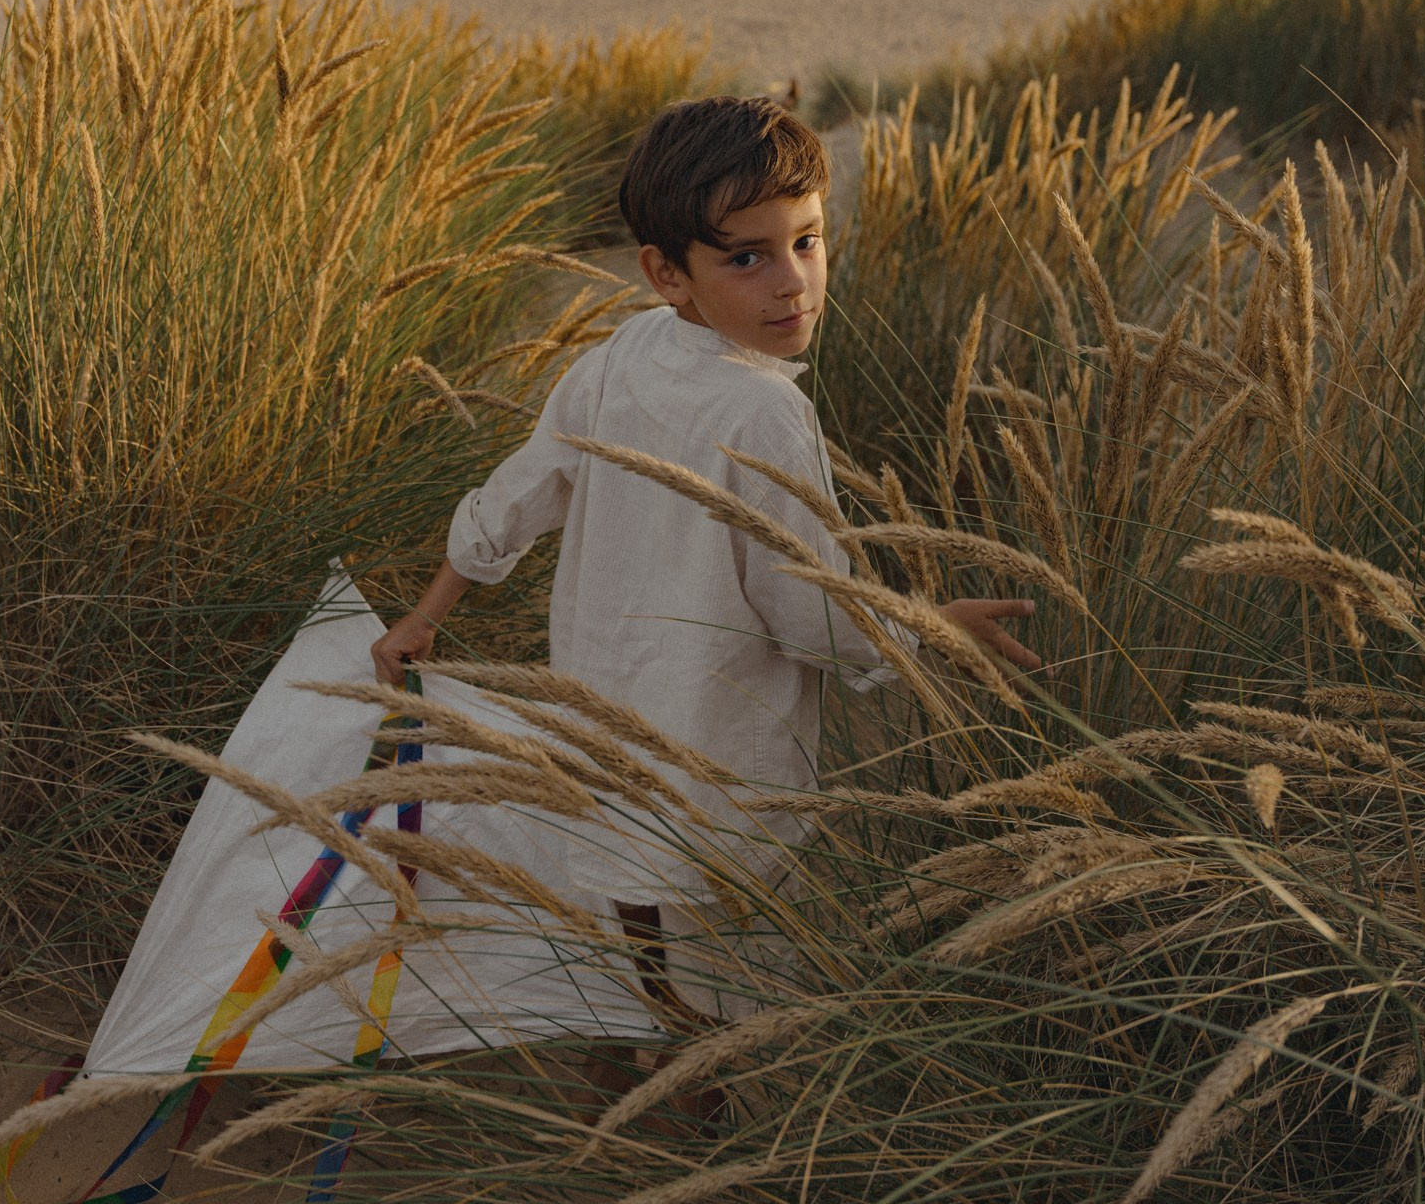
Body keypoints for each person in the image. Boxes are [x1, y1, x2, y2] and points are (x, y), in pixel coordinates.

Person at [370, 94, 1039, 1000]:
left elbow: (526, 488)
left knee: (633, 921)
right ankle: (696, 1092)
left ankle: (636, 1047)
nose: (792, 282)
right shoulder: (764, 408)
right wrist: (925, 626)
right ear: (667, 271)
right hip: (718, 755)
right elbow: (811, 614)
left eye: (807, 240)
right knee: (732, 970)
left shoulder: (623, 350)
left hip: (604, 726)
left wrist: (425, 613)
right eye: (748, 257)